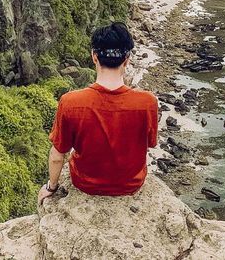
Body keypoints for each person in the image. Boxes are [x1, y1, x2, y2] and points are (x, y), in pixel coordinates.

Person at [38, 22, 158, 205]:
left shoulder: (71, 102)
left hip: (86, 184)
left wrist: (51, 187)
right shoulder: (147, 102)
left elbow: (57, 155)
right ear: (127, 60)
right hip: (131, 185)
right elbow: (149, 143)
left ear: (94, 57)